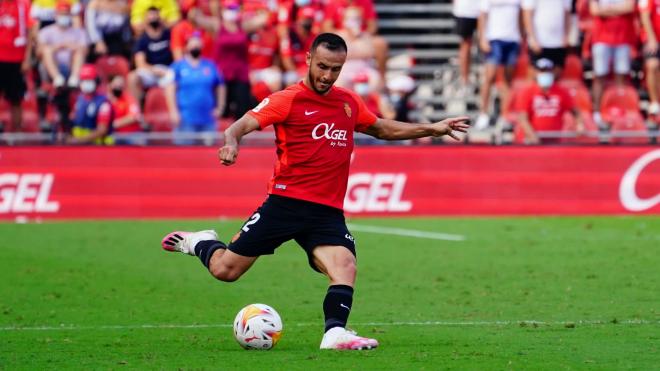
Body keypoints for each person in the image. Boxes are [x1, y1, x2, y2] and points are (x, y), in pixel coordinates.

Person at [160, 33, 469, 350]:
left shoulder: (347, 103)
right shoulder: (288, 99)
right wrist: (231, 143)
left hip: (326, 210)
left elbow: (382, 128)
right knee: (225, 270)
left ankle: (334, 333)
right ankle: (201, 241)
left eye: (336, 69)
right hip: (285, 203)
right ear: (308, 58)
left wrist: (433, 127)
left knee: (344, 265)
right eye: (322, 66)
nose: (327, 75)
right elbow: (240, 124)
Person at [36, 0, 87, 133]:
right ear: (56, 15)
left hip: (71, 68)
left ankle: (74, 79)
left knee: (78, 52)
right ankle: (57, 78)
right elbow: (39, 53)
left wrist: (71, 47)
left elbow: (85, 51)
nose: (64, 16)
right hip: (51, 70)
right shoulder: (46, 32)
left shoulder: (78, 32)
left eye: (66, 14)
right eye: (61, 13)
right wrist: (56, 47)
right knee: (47, 51)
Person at [165, 34, 226, 145]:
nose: (195, 48)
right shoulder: (177, 66)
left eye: (197, 45)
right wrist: (173, 112)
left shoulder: (210, 65)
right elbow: (170, 89)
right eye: (192, 45)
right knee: (185, 155)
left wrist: (220, 107)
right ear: (186, 47)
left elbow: (220, 85)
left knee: (209, 155)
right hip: (185, 118)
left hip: (207, 118)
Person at [588, 0, 636, 128]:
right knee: (599, 76)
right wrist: (618, 10)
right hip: (601, 38)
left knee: (621, 78)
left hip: (622, 37)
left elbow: (629, 7)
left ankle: (622, 112)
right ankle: (596, 113)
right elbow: (594, 10)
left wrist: (606, 11)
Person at [476, 0, 522, 131]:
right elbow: (482, 15)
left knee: (507, 80)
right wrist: (482, 38)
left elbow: (520, 15)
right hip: (494, 38)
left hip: (513, 39)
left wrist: (521, 35)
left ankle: (504, 115)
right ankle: (483, 114)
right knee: (489, 77)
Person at [516, 58, 583, 144]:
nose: (545, 74)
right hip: (532, 141)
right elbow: (522, 118)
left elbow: (576, 112)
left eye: (547, 71)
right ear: (535, 73)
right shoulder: (527, 92)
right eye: (542, 71)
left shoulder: (562, 92)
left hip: (554, 140)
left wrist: (579, 125)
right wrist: (533, 138)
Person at [127, 7, 173, 106]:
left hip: (168, 70)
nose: (154, 18)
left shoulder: (169, 34)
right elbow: (140, 64)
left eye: (156, 15)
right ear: (145, 20)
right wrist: (154, 70)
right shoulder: (142, 40)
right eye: (151, 16)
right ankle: (138, 112)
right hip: (151, 71)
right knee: (132, 77)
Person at [0, 0, 33, 133]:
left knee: (16, 98)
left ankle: (17, 131)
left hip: (17, 59)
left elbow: (30, 31)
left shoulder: (23, 5)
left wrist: (27, 58)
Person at [68, 64, 114, 144]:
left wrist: (79, 140)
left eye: (89, 80)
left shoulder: (103, 103)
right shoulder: (79, 99)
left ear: (96, 81)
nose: (86, 83)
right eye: (84, 80)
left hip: (99, 147)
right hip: (81, 147)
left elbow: (102, 130)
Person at [522, 0, 571, 71]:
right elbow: (527, 14)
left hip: (558, 42)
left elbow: (567, 13)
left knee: (556, 74)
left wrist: (566, 35)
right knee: (536, 74)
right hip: (540, 41)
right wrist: (532, 38)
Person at [107, 74, 145, 145]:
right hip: (113, 134)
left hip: (131, 134)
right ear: (109, 84)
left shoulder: (128, 98)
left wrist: (113, 124)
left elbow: (134, 116)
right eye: (116, 84)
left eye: (121, 85)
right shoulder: (105, 100)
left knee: (139, 140)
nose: (118, 87)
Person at [639, 0, 660, 117]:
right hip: (653, 39)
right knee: (653, 65)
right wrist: (652, 39)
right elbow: (644, 16)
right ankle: (655, 102)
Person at [453, 0, 480, 87]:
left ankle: (482, 77)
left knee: (485, 45)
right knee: (465, 45)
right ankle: (465, 80)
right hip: (465, 11)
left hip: (482, 10)